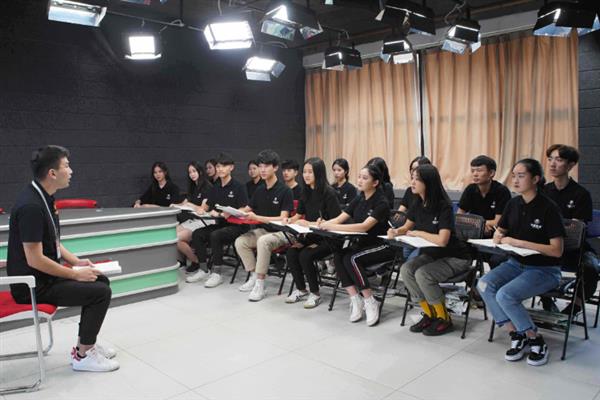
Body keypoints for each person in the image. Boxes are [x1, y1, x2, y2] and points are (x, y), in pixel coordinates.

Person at [7, 145, 119, 372]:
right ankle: (83, 356)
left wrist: (76, 262)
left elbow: (54, 241)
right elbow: (35, 259)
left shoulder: (43, 197)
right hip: (32, 286)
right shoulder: (31, 206)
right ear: (52, 173)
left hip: (44, 276)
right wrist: (75, 274)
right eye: (66, 166)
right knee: (100, 292)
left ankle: (85, 345)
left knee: (100, 281)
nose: (71, 171)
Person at [478, 159, 565, 366]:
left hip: (545, 269)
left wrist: (519, 242)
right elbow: (501, 230)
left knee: (505, 295)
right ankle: (517, 334)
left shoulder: (548, 208)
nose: (515, 180)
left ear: (535, 179)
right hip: (515, 264)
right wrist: (498, 235)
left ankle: (535, 339)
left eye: (521, 175)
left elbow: (557, 250)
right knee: (483, 284)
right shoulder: (513, 204)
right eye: (514, 176)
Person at [390, 164, 472, 336]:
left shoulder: (444, 206)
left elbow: (442, 240)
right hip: (433, 254)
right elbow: (407, 227)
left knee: (423, 274)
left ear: (428, 182)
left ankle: (444, 318)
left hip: (456, 257)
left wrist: (418, 233)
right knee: (406, 270)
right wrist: (396, 231)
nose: (412, 182)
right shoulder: (417, 202)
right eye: (412, 178)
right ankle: (429, 314)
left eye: (417, 179)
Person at [318, 164, 395, 326]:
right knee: (338, 256)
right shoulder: (359, 198)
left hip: (382, 245)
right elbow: (340, 218)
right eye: (359, 177)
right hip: (363, 244)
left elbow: (364, 227)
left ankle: (370, 300)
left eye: (365, 178)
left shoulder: (381, 202)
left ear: (375, 182)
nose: (359, 180)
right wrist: (324, 223)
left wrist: (331, 226)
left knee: (351, 259)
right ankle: (355, 298)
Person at [543, 144, 598, 316]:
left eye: (559, 160)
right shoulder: (543, 191)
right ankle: (546, 301)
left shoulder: (581, 194)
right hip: (547, 245)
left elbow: (576, 229)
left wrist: (554, 227)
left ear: (571, 165)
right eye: (550, 159)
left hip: (574, 247)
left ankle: (576, 306)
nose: (552, 164)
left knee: (590, 268)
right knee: (526, 261)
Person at [235, 149, 294, 302]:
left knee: (263, 241)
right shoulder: (260, 189)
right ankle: (254, 275)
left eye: (266, 166)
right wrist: (232, 211)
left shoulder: (285, 190)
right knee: (240, 241)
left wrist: (258, 217)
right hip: (265, 231)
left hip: (283, 233)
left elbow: (283, 218)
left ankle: (260, 284)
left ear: (275, 168)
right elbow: (248, 209)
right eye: (260, 166)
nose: (262, 170)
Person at [284, 157, 342, 309]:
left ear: (319, 173)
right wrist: (289, 220)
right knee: (291, 252)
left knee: (305, 255)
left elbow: (336, 221)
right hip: (312, 235)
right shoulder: (306, 191)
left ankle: (315, 293)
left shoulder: (329, 193)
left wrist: (309, 223)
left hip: (329, 239)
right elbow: (298, 214)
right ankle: (301, 289)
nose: (306, 175)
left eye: (310, 172)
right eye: (304, 172)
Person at [186, 153, 249, 288]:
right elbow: (208, 205)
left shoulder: (239, 186)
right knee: (197, 234)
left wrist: (227, 213)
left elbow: (244, 208)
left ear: (231, 167)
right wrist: (202, 210)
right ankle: (203, 269)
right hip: (221, 224)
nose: (220, 169)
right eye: (219, 166)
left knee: (216, 235)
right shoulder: (215, 187)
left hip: (237, 226)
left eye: (224, 166)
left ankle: (217, 273)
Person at [457, 155, 511, 237]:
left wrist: (477, 224)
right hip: (474, 232)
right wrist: (480, 225)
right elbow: (459, 217)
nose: (475, 174)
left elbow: (499, 222)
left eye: (479, 170)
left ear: (491, 173)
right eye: (472, 171)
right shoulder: (470, 189)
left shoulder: (502, 191)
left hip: (495, 234)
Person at [173, 162, 212, 273]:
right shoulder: (193, 187)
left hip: (205, 221)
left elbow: (203, 209)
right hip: (193, 220)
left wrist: (191, 205)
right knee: (171, 233)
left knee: (176, 238)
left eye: (194, 171)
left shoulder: (207, 187)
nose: (192, 174)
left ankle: (197, 261)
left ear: (200, 172)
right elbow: (185, 203)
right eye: (190, 172)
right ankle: (182, 261)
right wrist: (175, 205)